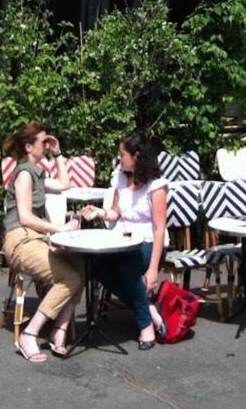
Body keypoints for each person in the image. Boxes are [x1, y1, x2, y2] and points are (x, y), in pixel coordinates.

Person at [2, 122, 84, 363]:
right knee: (70, 278)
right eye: (42, 143)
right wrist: (60, 228)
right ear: (29, 146)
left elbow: (65, 184)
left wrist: (57, 153)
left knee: (80, 264)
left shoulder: (37, 173)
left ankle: (59, 331)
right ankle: (29, 334)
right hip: (20, 241)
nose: (46, 146)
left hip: (36, 239)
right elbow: (25, 217)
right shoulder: (25, 174)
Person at [80, 132, 168, 350]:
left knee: (127, 267)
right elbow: (115, 213)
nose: (119, 158)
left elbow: (159, 229)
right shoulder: (121, 178)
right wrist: (99, 212)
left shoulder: (156, 186)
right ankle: (148, 309)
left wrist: (153, 269)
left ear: (137, 156)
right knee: (96, 266)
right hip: (121, 242)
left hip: (148, 243)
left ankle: (145, 325)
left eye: (122, 154)